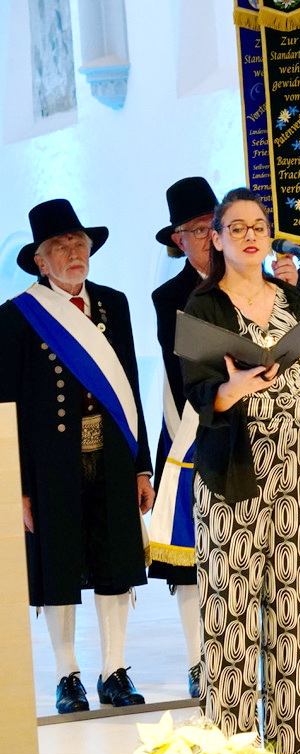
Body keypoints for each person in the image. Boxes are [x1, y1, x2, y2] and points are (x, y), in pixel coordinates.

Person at [181, 188, 300, 754]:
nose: (250, 236)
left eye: (259, 226)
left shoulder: (297, 298)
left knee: (298, 608)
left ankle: (298, 741)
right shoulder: (203, 307)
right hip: (233, 474)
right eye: (237, 227)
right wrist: (232, 389)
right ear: (217, 238)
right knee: (230, 614)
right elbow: (197, 393)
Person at [0, 198, 153, 713]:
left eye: (79, 242)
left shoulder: (114, 304)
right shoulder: (16, 317)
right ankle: (68, 676)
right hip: (50, 463)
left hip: (112, 454)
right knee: (58, 565)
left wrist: (141, 465)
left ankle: (114, 670)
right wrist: (18, 486)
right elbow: (7, 404)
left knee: (115, 561)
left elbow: (130, 387)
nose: (73, 252)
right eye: (60, 245)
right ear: (39, 260)